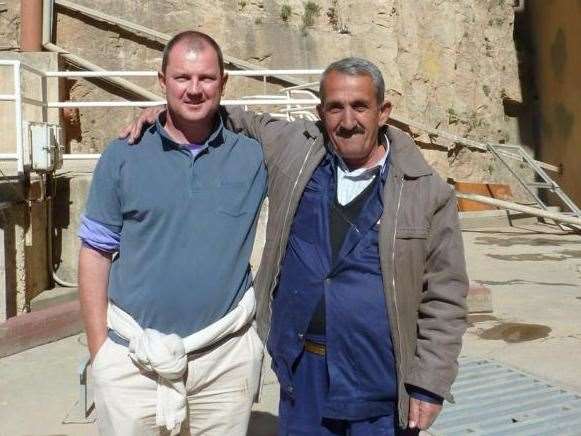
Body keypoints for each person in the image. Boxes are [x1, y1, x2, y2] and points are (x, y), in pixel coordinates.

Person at [124, 56, 468, 435]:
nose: (348, 121)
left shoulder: (426, 191)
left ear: (383, 112)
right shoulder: (296, 150)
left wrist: (429, 384)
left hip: (380, 383)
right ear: (321, 111)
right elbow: (245, 120)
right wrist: (172, 113)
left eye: (360, 107)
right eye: (335, 107)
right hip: (303, 378)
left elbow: (445, 297)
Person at [78, 30, 267, 436]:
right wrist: (101, 355)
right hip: (132, 362)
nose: (194, 90)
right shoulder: (123, 154)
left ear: (224, 83)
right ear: (162, 81)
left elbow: (332, 137)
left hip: (224, 362)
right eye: (182, 78)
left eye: (206, 78)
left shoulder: (253, 154)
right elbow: (95, 251)